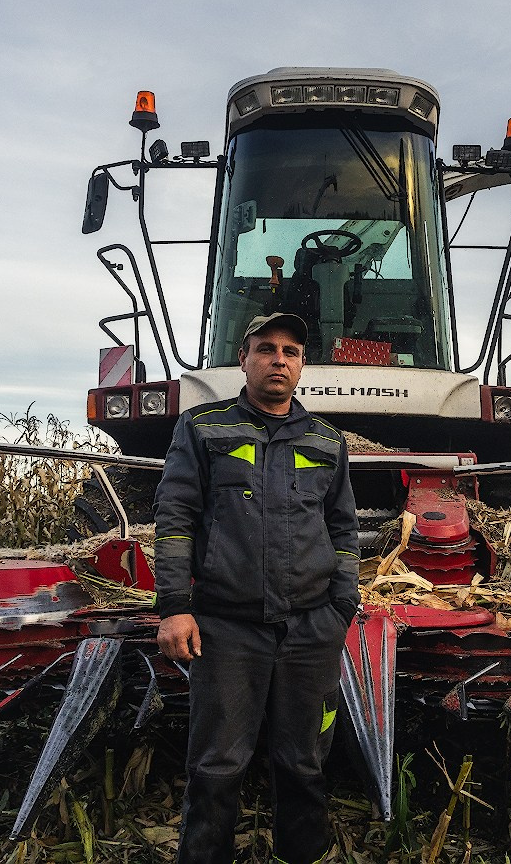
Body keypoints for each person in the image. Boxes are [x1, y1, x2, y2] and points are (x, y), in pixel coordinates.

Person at [153, 311, 361, 864]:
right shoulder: (202, 428)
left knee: (304, 763)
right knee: (216, 765)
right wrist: (174, 607)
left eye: (290, 352)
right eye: (266, 349)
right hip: (225, 627)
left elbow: (343, 529)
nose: (278, 359)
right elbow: (176, 519)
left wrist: (342, 604)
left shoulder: (327, 441)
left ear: (302, 366)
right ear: (243, 359)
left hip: (311, 628)